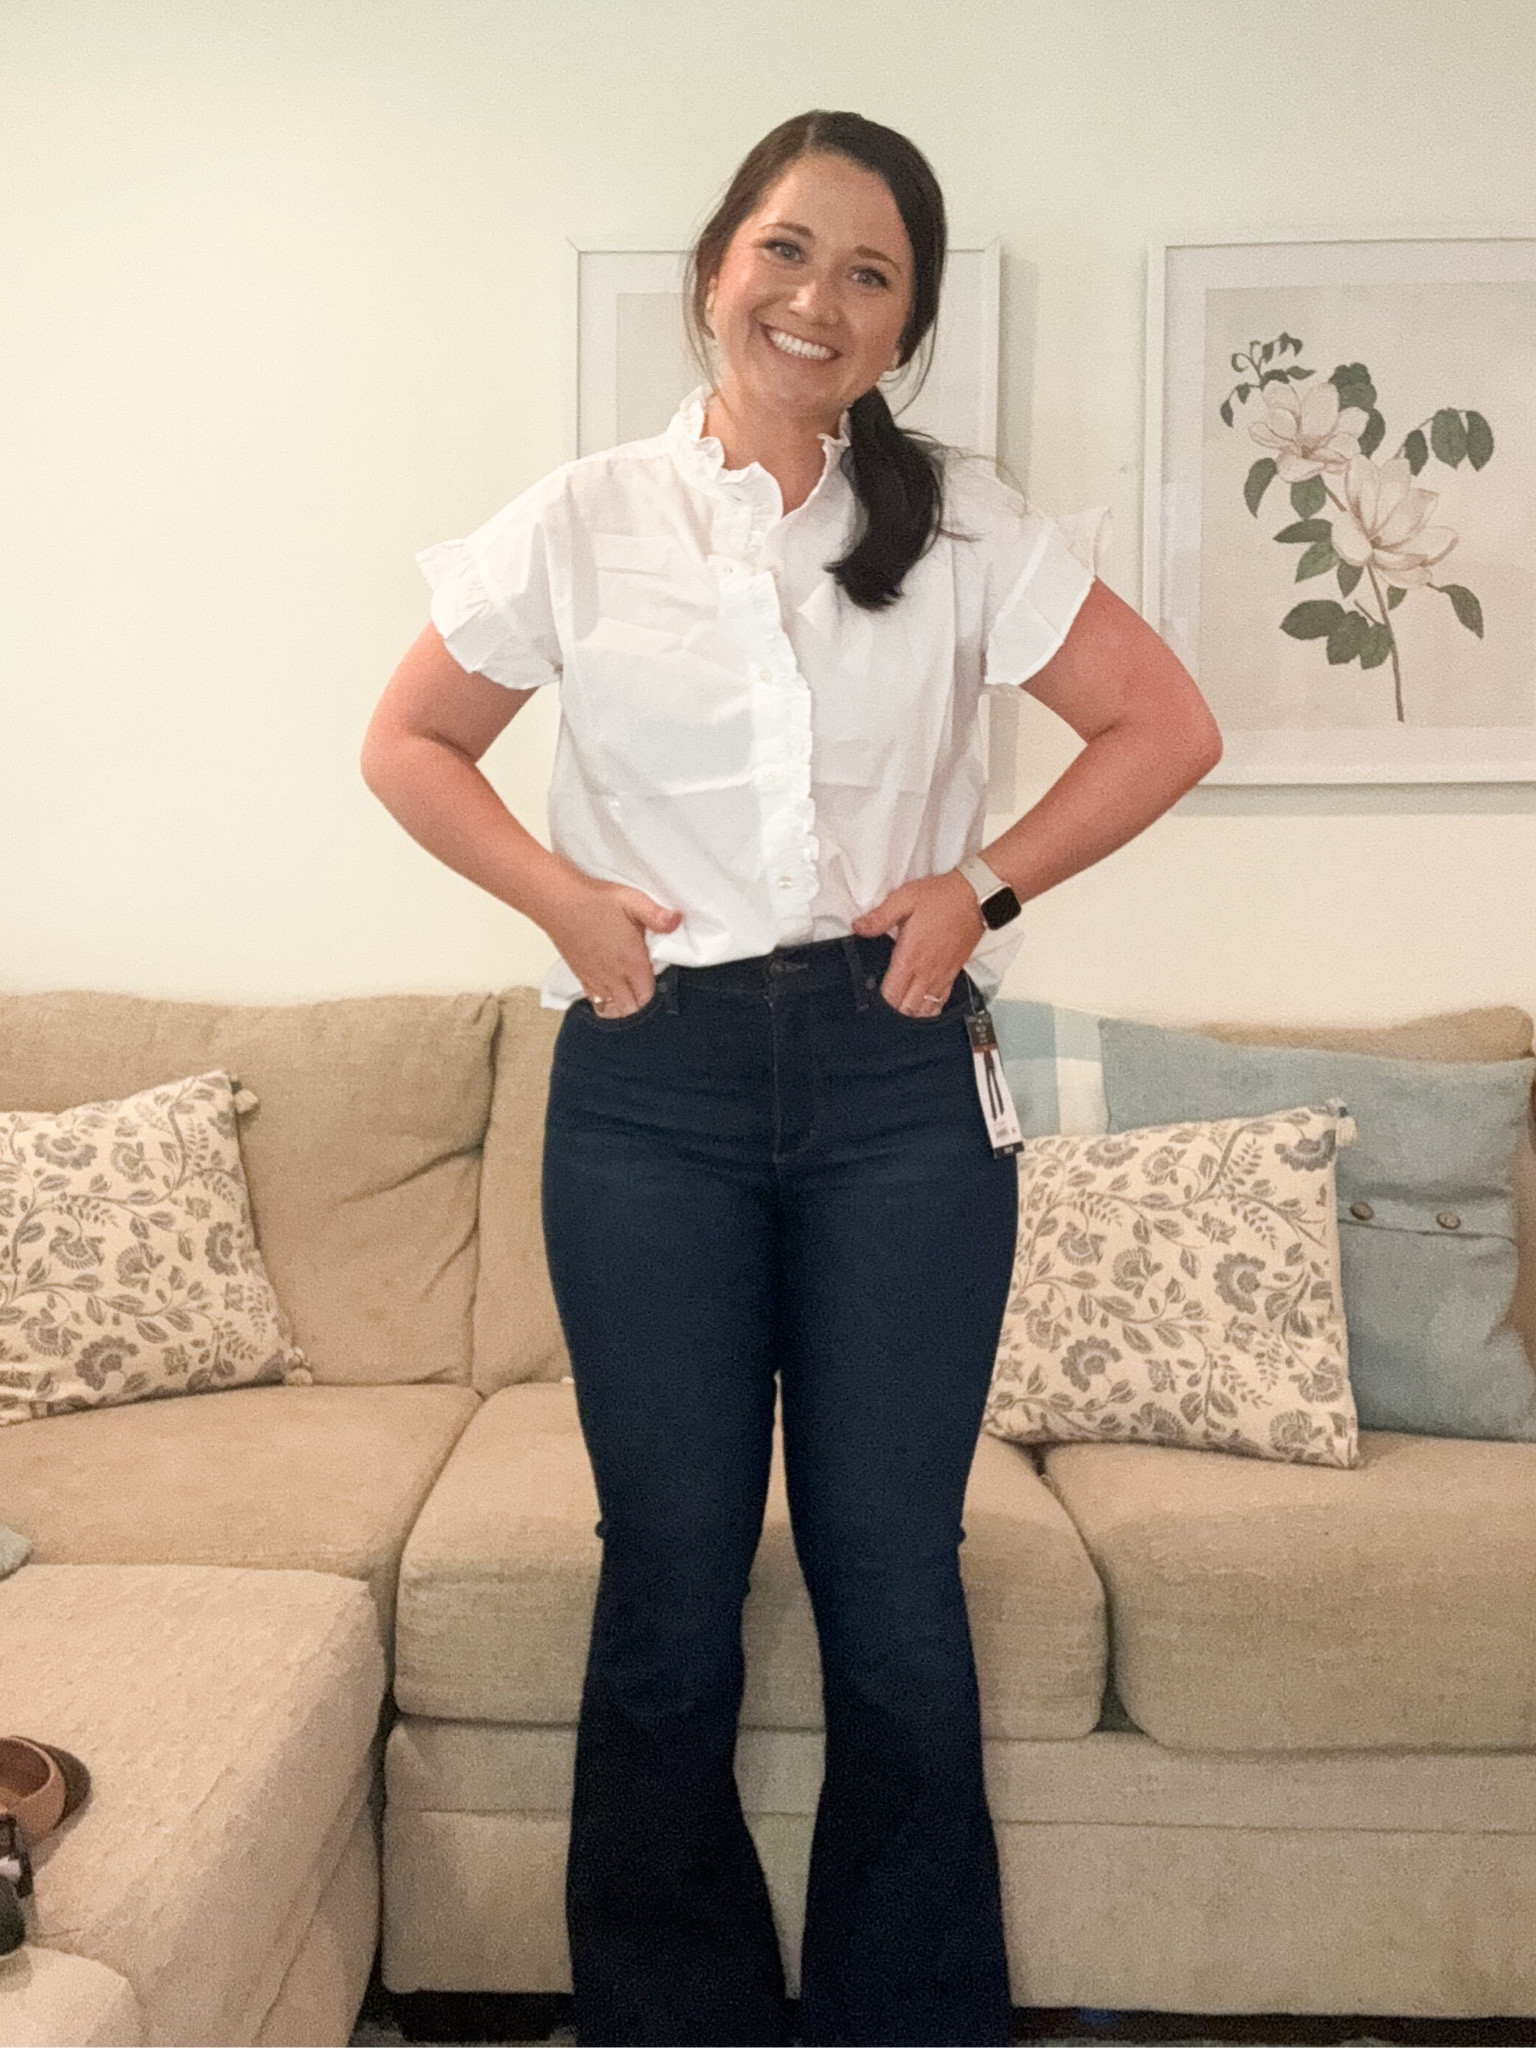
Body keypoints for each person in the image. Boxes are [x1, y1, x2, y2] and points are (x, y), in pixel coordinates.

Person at [361, 109, 1221, 2048]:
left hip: (896, 1086)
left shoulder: (964, 521)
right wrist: (566, 899)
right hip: (648, 1091)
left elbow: (1165, 724)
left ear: (904, 323)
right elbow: (408, 741)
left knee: (890, 1581)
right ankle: (676, 2017)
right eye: (786, 250)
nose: (815, 299)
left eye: (869, 273)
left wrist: (982, 884)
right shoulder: (583, 519)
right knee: (667, 1577)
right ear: (713, 268)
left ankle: (905, 2020)